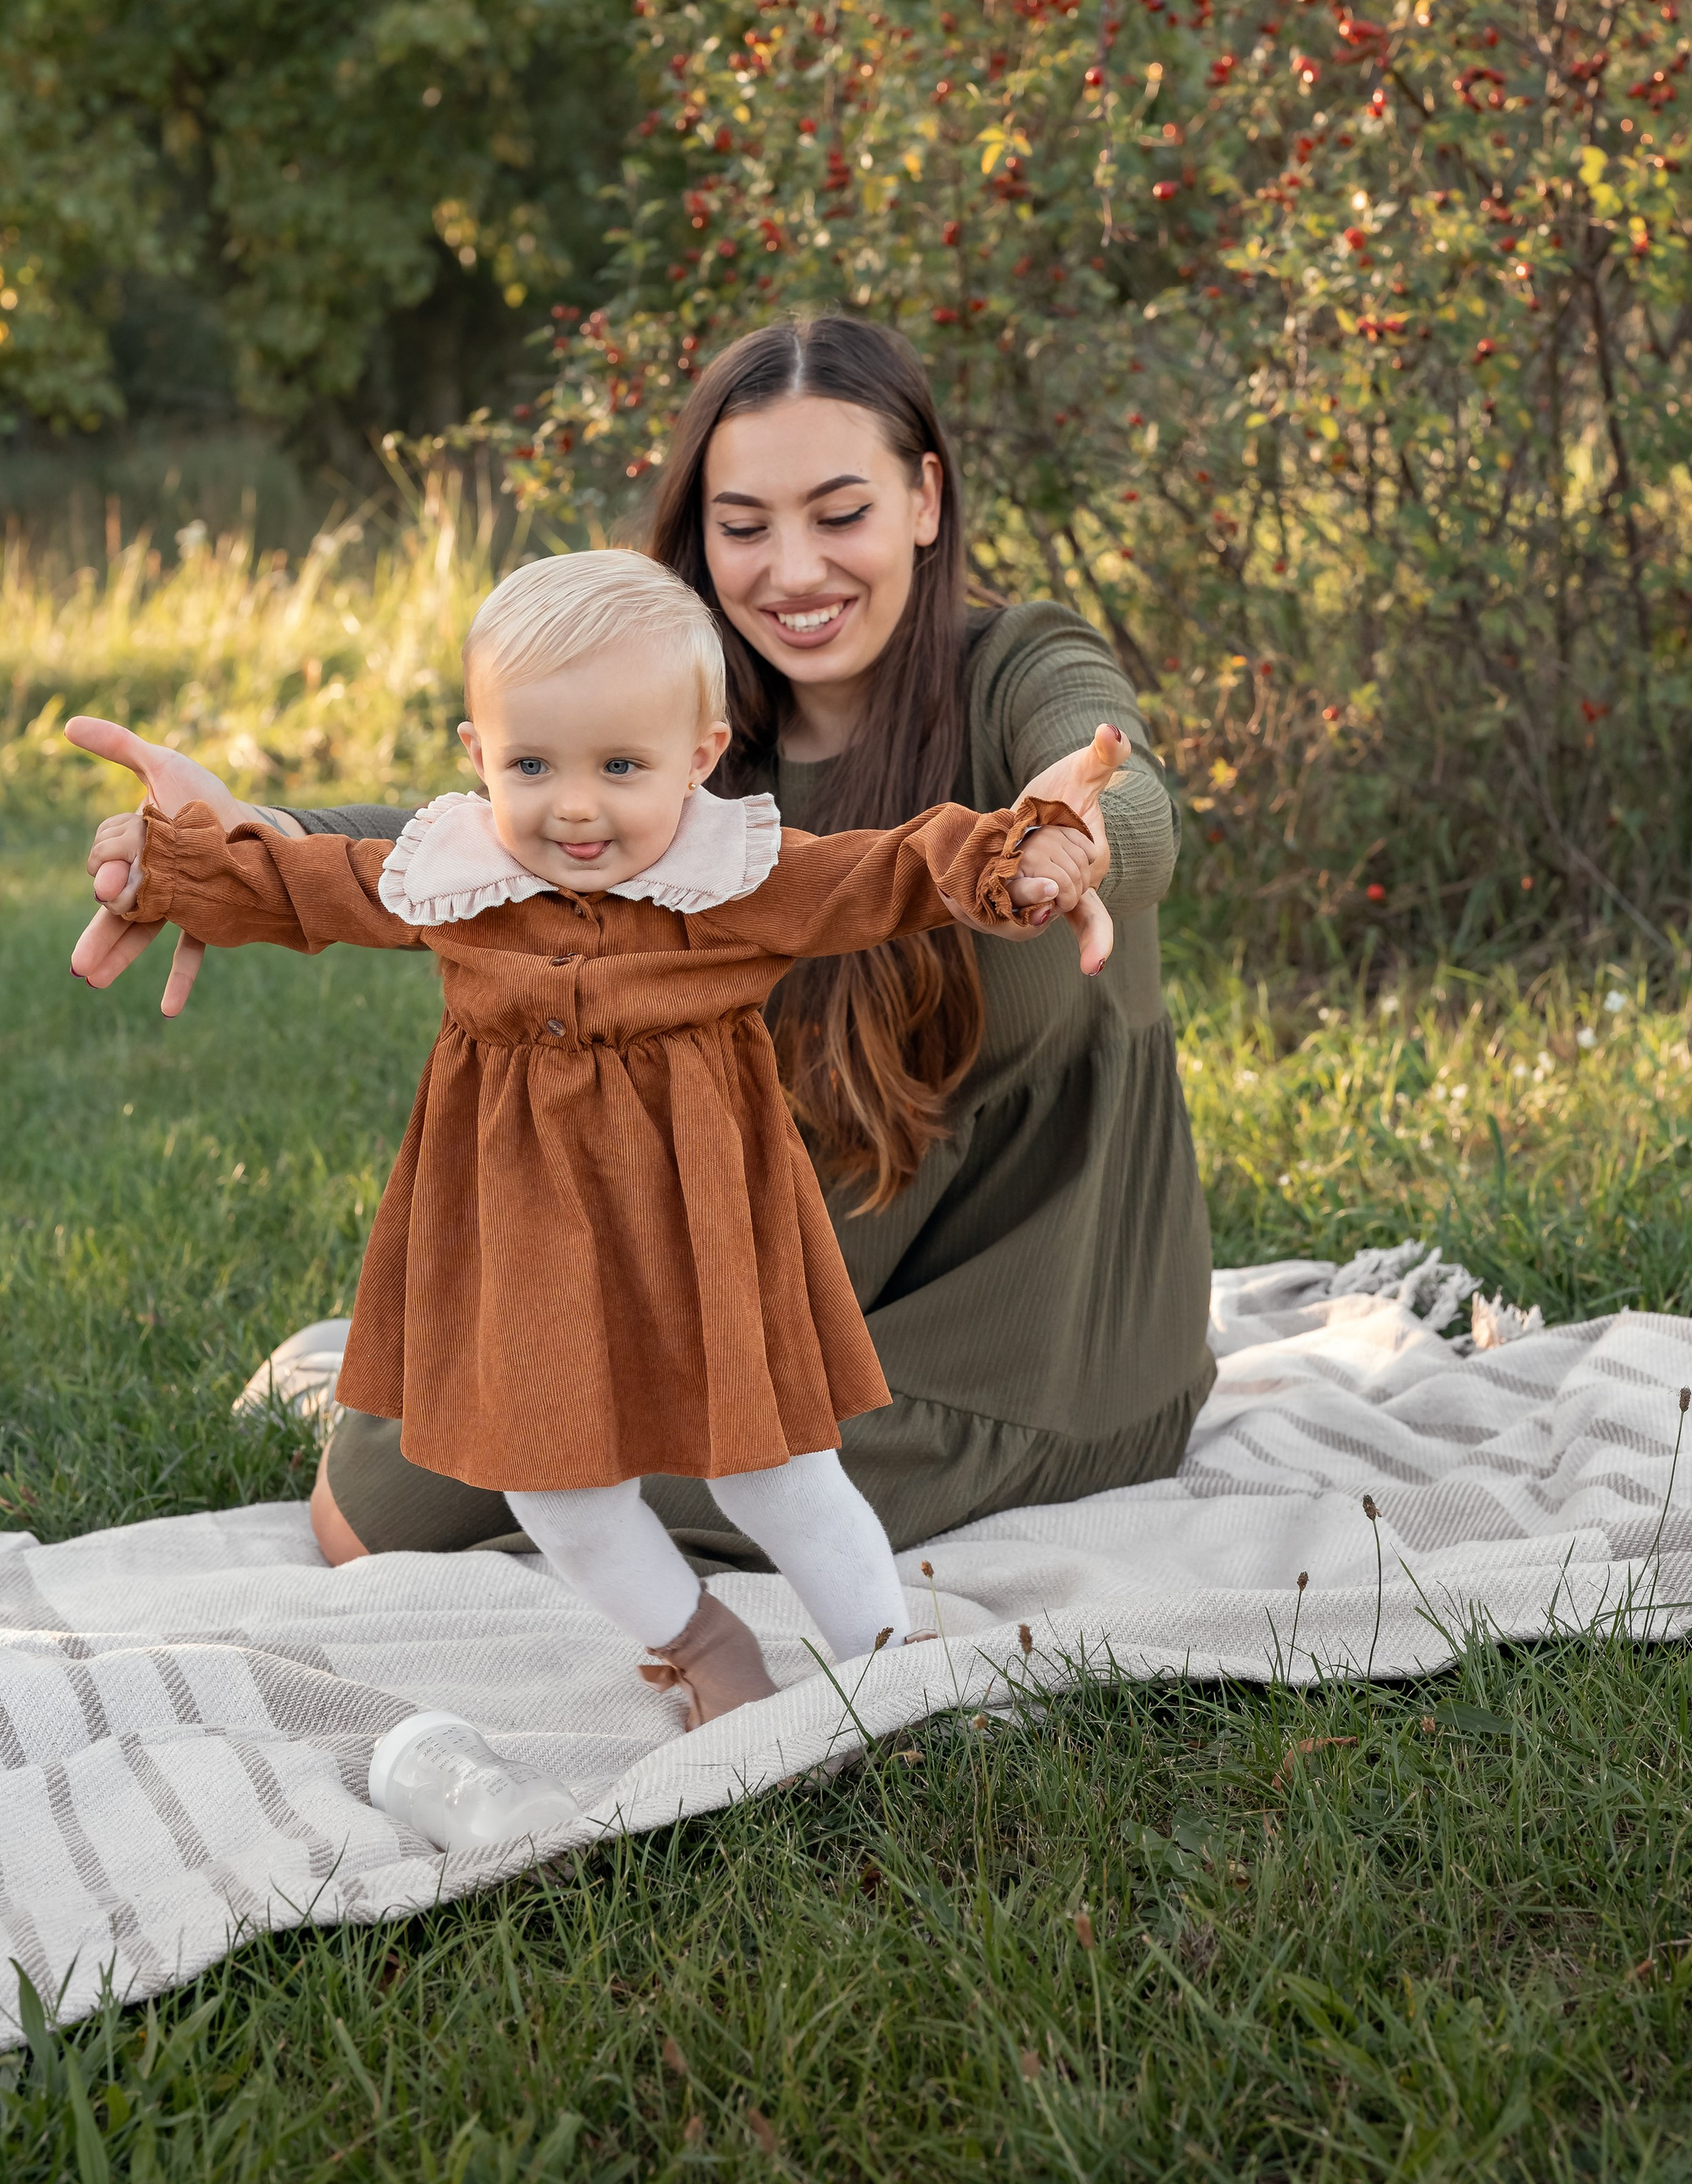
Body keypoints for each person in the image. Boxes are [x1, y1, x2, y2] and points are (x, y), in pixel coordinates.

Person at [70, 312, 1215, 1574]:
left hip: (1034, 1328)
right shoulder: (700, 721)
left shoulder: (1022, 665)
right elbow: (491, 841)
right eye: (745, 526)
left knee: (668, 1482)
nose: (794, 570)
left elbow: (1132, 799)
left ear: (925, 499)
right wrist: (256, 840)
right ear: (698, 535)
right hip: (803, 1251)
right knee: (385, 1497)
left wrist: (1070, 829)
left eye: (841, 514)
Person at [81, 547, 1118, 1724]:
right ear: (478, 758)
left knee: (773, 1469)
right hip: (531, 1239)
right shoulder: (459, 873)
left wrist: (1019, 854)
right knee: (554, 1485)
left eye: (621, 765)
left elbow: (890, 871)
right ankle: (705, 1645)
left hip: (705, 1228)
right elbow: (304, 886)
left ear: (700, 756)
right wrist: (164, 866)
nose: (574, 805)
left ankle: (888, 1658)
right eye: (532, 763)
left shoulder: (733, 876)